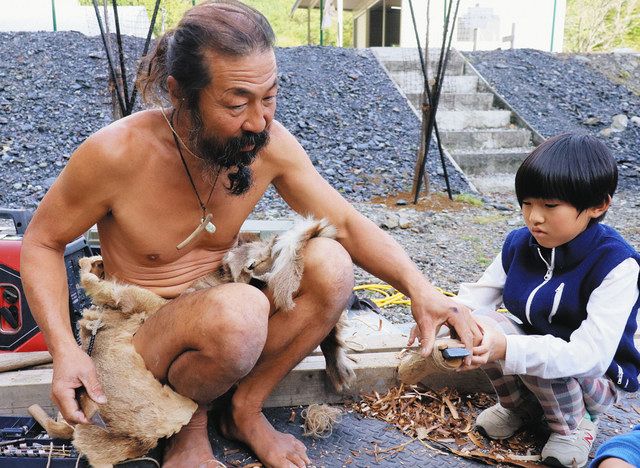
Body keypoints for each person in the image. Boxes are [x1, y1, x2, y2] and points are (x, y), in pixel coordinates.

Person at [19, 2, 481, 467]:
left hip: (224, 311)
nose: (259, 121)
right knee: (239, 313)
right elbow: (42, 241)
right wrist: (63, 348)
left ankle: (244, 409)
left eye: (270, 97)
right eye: (237, 103)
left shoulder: (267, 143)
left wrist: (424, 292)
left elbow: (346, 223)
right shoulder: (115, 154)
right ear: (180, 93)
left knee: (331, 264)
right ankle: (186, 433)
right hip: (141, 332)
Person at [451, 132, 640, 468]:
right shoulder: (520, 244)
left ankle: (574, 427)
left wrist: (507, 348)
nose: (534, 217)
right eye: (526, 203)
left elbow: (590, 356)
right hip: (546, 361)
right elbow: (475, 298)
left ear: (598, 205)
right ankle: (519, 408)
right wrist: (447, 322)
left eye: (550, 206)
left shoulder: (616, 264)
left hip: (596, 377)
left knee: (533, 347)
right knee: (484, 324)